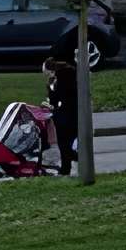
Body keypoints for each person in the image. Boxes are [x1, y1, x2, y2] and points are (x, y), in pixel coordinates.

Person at [40, 40, 83, 178]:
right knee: (68, 143)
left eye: (47, 74)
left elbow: (56, 98)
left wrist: (50, 90)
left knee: (64, 144)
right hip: (75, 112)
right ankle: (69, 165)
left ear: (52, 71)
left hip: (66, 114)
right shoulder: (70, 73)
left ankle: (70, 165)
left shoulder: (61, 78)